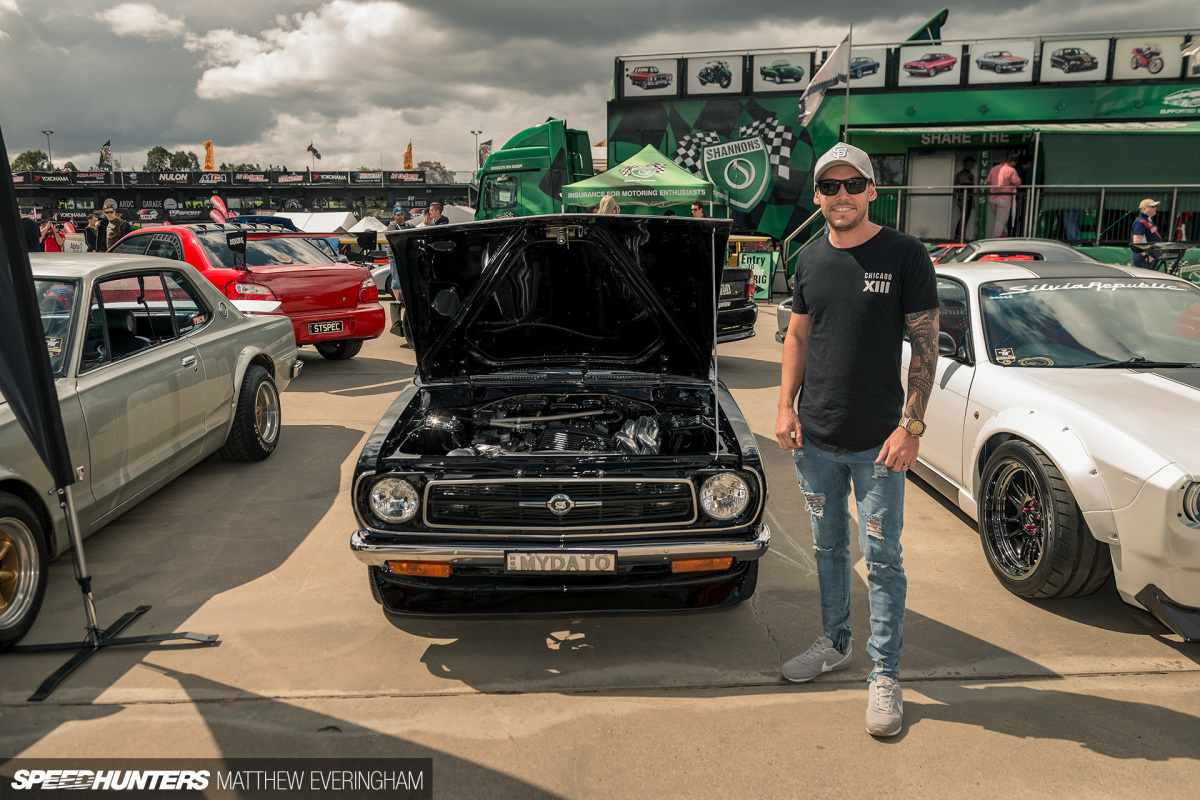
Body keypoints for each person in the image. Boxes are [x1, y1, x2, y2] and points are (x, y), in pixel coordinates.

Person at [774, 143, 939, 738]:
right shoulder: (810, 259)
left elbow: (926, 347)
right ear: (817, 196)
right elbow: (796, 337)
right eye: (829, 187)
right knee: (828, 549)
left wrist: (910, 427)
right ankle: (834, 642)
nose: (840, 196)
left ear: (872, 189)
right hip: (815, 440)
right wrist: (785, 407)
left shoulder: (903, 254)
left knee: (885, 558)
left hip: (880, 446)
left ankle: (885, 673)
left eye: (852, 185)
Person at [985, 154, 1021, 238]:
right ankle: (995, 239)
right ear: (1013, 161)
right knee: (1001, 220)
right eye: (1015, 163)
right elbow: (1017, 183)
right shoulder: (1011, 170)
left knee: (998, 219)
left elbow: (988, 183)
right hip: (1004, 198)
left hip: (993, 198)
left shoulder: (994, 168)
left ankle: (1003, 234)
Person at [1130, 198, 1163, 270]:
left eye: (1155, 207)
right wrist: (1146, 255)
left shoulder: (1148, 220)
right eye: (1152, 207)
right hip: (1145, 259)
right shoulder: (1140, 222)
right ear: (1144, 209)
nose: (1155, 208)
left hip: (1149, 257)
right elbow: (1136, 242)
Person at [953, 156, 976, 240]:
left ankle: (962, 235)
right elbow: (958, 187)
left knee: (967, 217)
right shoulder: (961, 174)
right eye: (970, 162)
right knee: (963, 216)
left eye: (972, 163)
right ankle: (958, 234)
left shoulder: (971, 175)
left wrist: (973, 200)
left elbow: (972, 189)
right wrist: (958, 198)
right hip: (963, 196)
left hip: (969, 196)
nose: (971, 164)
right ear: (965, 163)